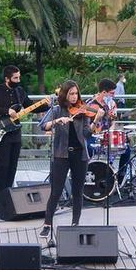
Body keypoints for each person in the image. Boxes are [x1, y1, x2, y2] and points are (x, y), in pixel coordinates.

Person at [38, 80, 100, 240]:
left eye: (76, 94)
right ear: (65, 94)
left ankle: (75, 223)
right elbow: (43, 125)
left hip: (80, 155)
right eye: (71, 94)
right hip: (61, 155)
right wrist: (57, 121)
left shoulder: (82, 111)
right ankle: (47, 224)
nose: (74, 97)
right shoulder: (57, 110)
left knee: (78, 191)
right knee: (56, 191)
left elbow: (87, 134)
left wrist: (95, 121)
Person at [0, 65, 30, 193]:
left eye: (19, 77)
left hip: (16, 132)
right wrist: (6, 111)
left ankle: (9, 194)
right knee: (3, 166)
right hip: (2, 134)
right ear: (7, 79)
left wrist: (46, 103)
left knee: (13, 166)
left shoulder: (20, 92)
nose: (18, 80)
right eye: (15, 78)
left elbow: (30, 105)